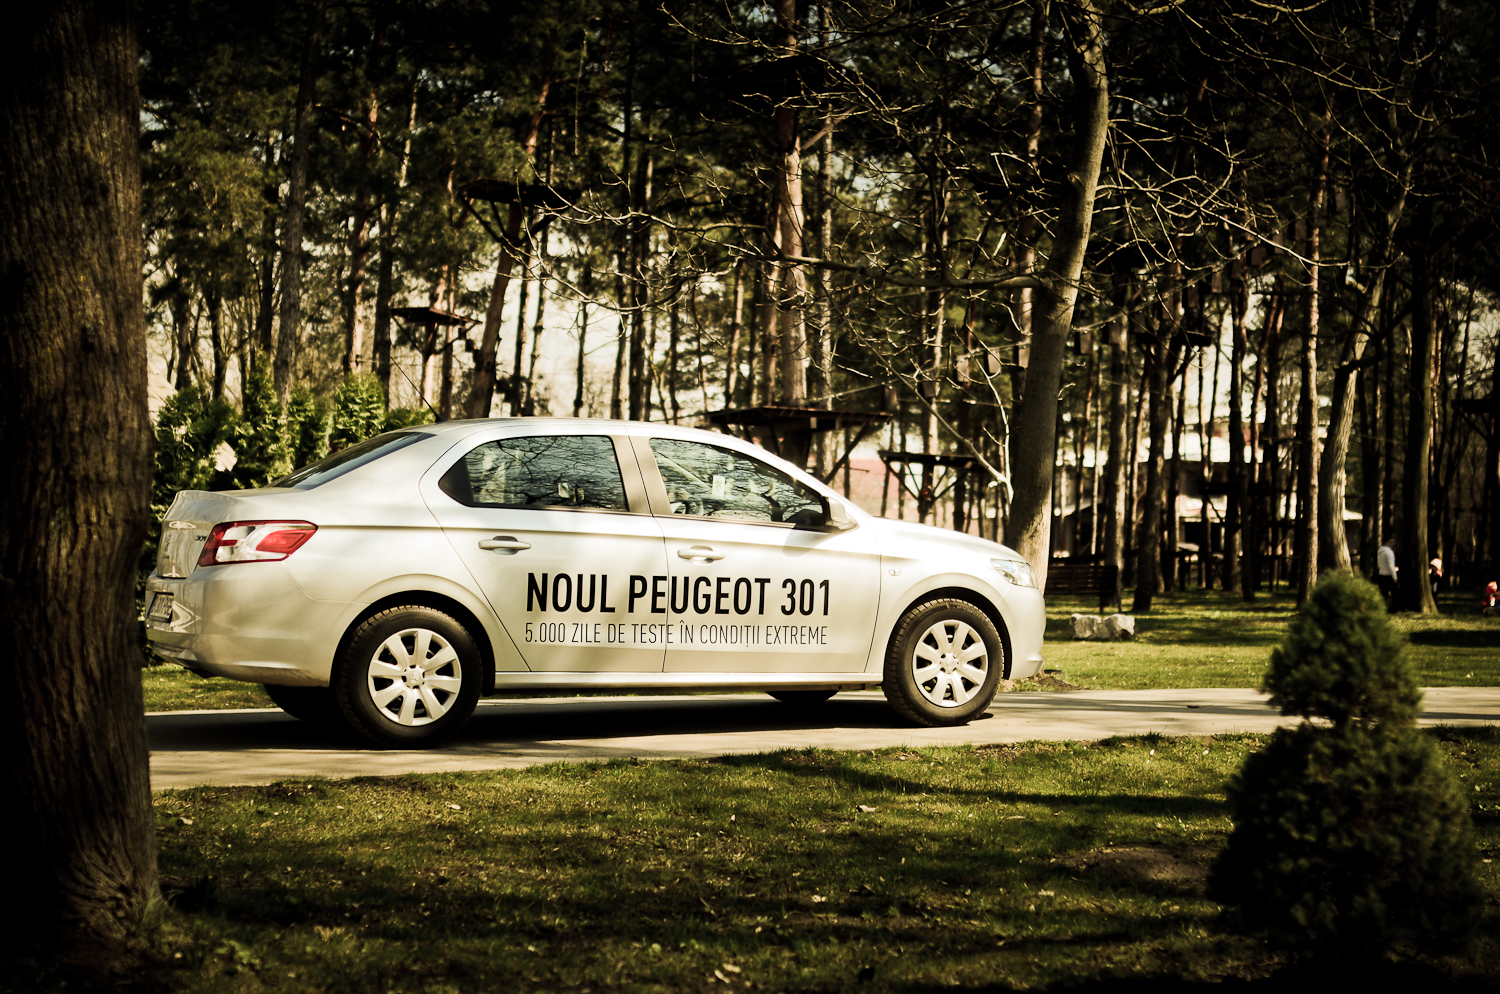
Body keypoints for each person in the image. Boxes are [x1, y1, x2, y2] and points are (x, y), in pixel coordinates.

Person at [1377, 538, 1398, 607]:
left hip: (1381, 574)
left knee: (1383, 593)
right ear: (1386, 542)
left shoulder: (1380, 551)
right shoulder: (1389, 552)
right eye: (1391, 542)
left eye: (1393, 542)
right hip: (1388, 575)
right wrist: (1395, 577)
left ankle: (1382, 607)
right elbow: (1391, 565)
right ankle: (1394, 608)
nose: (1393, 544)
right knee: (1394, 593)